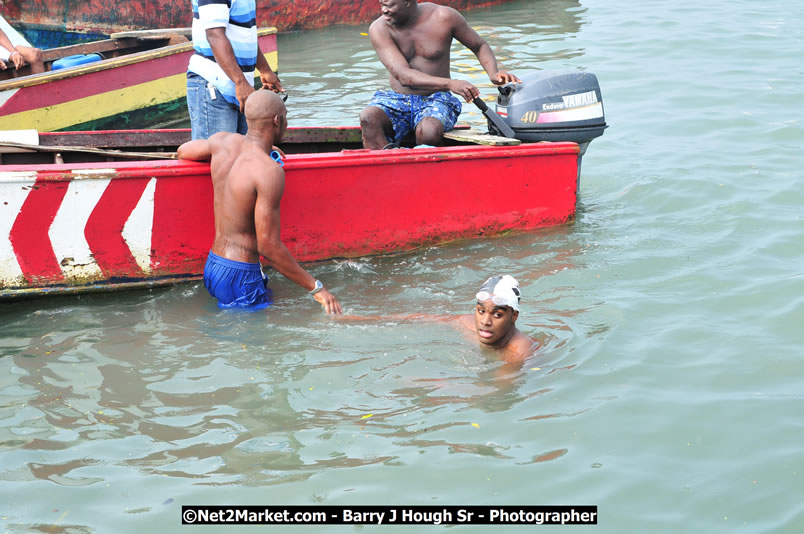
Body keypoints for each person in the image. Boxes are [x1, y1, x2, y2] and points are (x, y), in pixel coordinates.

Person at [177, 90, 342, 314]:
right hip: (240, 274)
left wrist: (262, 149)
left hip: (214, 265)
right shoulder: (268, 171)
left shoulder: (221, 142)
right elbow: (269, 247)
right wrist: (317, 288)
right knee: (255, 344)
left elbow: (182, 151)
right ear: (277, 121)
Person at [360, 0, 521, 150]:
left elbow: (479, 45)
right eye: (381, 4)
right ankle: (388, 167)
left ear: (408, 2)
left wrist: (493, 73)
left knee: (428, 131)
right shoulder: (379, 28)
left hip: (437, 99)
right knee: (368, 117)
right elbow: (404, 76)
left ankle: (428, 173)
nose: (384, 11)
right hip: (398, 98)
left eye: (389, 5)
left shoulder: (444, 17)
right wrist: (451, 83)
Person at [340, 275, 537, 362]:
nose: (485, 321)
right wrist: (360, 319)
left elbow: (497, 392)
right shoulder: (468, 323)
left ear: (514, 317)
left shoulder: (519, 351)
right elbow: (419, 318)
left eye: (497, 315)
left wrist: (440, 387)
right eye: (480, 311)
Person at [186, 0, 284, 140]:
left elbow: (243, 35)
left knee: (242, 154)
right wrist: (241, 83)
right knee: (218, 154)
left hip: (240, 86)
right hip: (215, 85)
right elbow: (214, 35)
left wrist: (265, 70)